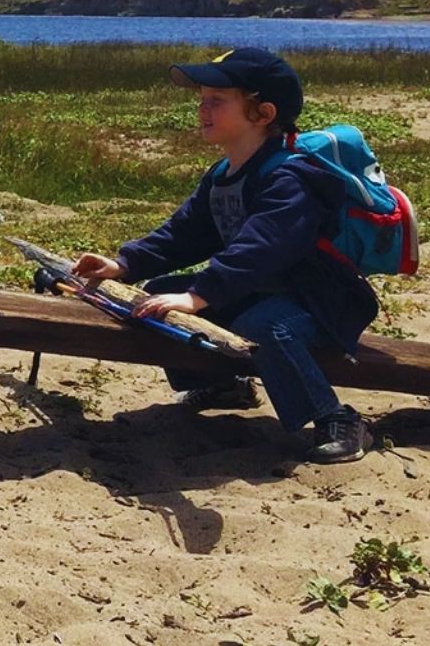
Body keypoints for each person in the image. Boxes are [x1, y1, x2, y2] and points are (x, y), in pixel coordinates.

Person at [71, 48, 379, 464]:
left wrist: (200, 295)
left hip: (317, 303)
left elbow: (262, 249)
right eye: (201, 99)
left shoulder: (292, 177)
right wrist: (125, 265)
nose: (202, 109)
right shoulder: (224, 173)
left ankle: (337, 420)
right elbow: (183, 234)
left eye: (217, 101)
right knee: (159, 293)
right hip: (257, 290)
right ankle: (223, 385)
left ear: (263, 113)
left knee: (265, 327)